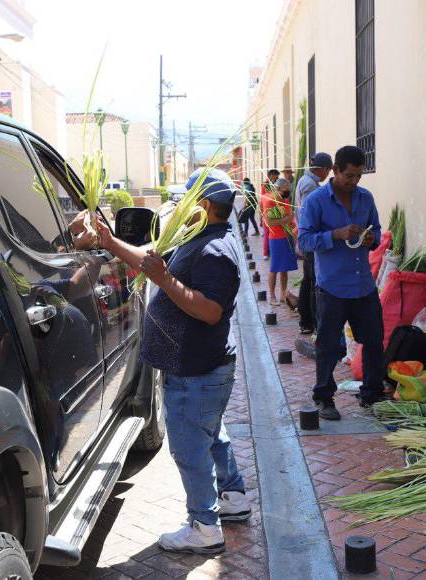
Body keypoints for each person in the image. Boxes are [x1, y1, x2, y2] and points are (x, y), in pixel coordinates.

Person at [95, 168, 249, 555]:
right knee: (211, 434)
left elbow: (210, 311)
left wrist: (165, 281)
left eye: (186, 199)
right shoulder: (196, 237)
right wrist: (109, 241)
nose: (179, 205)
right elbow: (150, 262)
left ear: (205, 205)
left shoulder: (215, 251)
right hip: (201, 368)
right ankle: (233, 498)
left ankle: (204, 527)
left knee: (190, 451)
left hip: (196, 370)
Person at [298, 145, 385, 420]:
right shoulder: (316, 201)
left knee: (373, 340)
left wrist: (372, 239)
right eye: (349, 175)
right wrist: (335, 234)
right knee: (328, 346)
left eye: (359, 176)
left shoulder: (365, 198)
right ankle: (324, 397)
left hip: (363, 285)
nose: (354, 181)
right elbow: (304, 241)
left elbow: (377, 230)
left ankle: (371, 394)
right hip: (332, 286)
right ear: (335, 170)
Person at [295, 152, 332, 334]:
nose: (328, 175)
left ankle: (306, 320)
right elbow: (309, 215)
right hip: (311, 239)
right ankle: (310, 322)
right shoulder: (310, 185)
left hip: (308, 237)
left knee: (308, 280)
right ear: (323, 169)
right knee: (312, 281)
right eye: (328, 171)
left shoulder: (305, 180)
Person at [262, 177, 298, 306]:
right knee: (275, 268)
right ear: (278, 189)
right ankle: (272, 296)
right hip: (276, 238)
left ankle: (283, 294)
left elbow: (291, 219)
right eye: (286, 190)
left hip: (288, 237)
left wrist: (293, 230)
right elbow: (269, 222)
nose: (288, 192)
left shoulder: (286, 201)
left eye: (289, 189)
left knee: (284, 268)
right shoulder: (270, 202)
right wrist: (287, 219)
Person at [260, 169, 280, 260]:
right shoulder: (265, 185)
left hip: (274, 212)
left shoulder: (275, 184)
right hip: (268, 212)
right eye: (276, 176)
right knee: (267, 233)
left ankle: (270, 252)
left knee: (272, 233)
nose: (277, 178)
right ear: (271, 175)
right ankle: (266, 253)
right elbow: (263, 199)